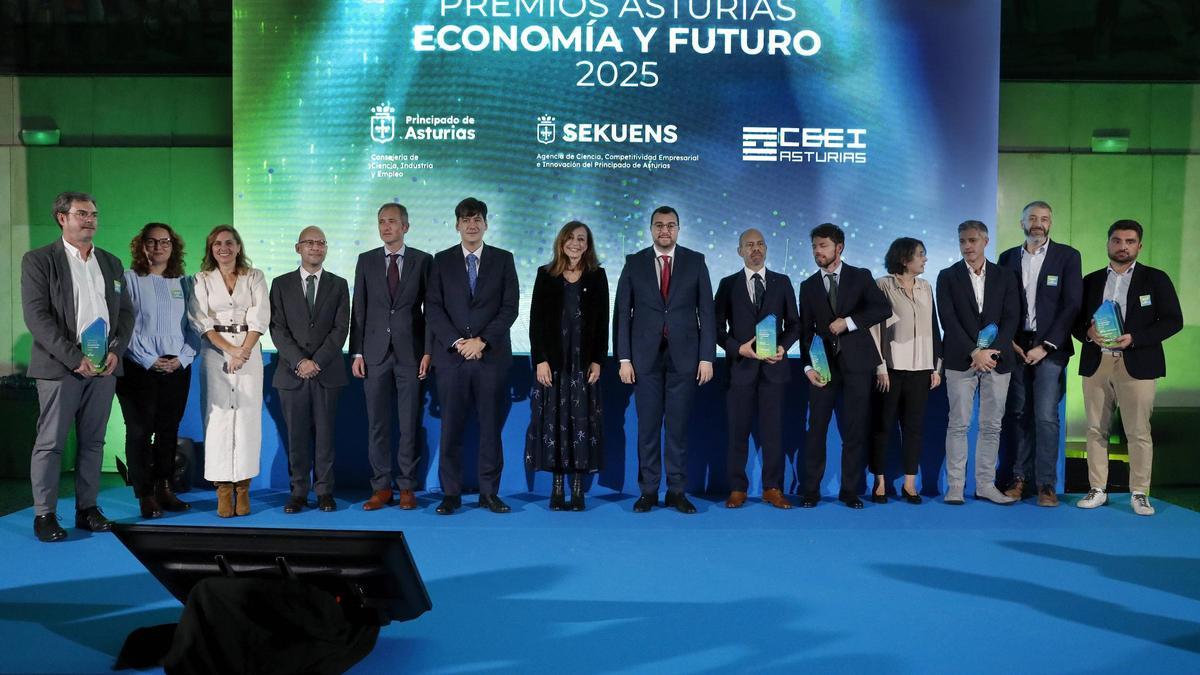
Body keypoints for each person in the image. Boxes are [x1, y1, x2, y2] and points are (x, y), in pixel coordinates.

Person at [21, 191, 133, 542]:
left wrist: (117, 349)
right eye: (82, 213)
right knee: (51, 443)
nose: (90, 220)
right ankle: (45, 514)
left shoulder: (112, 263)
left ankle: (87, 509)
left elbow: (125, 314)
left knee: (93, 443)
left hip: (104, 369)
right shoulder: (39, 260)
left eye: (94, 214)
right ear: (61, 218)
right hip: (61, 368)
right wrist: (74, 357)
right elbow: (36, 317)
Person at [1074, 220, 1182, 516]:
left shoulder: (1155, 279)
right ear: (1108, 243)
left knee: (1138, 431)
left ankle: (1139, 492)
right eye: (1117, 240)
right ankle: (1098, 489)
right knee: (1095, 429)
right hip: (1097, 362)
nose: (1123, 246)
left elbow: (1174, 321)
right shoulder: (1091, 281)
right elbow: (1075, 320)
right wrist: (1088, 334)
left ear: (1139, 246)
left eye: (1130, 241)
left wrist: (1135, 339)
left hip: (1138, 363)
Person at [614, 206, 716, 514]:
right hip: (644, 359)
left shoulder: (696, 262)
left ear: (678, 229)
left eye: (670, 226)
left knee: (677, 428)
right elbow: (622, 313)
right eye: (659, 225)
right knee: (647, 427)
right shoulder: (634, 263)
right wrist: (624, 358)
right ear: (651, 229)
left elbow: (707, 312)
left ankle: (676, 491)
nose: (665, 231)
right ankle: (648, 491)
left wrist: (707, 357)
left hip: (685, 358)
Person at [426, 197, 519, 515]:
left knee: (490, 429)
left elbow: (510, 308)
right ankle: (450, 493)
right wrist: (457, 342)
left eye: (477, 218)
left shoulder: (504, 259)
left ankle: (489, 493)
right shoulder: (440, 260)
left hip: (490, 359)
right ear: (457, 225)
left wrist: (482, 342)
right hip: (452, 360)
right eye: (465, 219)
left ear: (486, 224)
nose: (471, 224)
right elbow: (434, 308)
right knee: (451, 428)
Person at [797, 223, 892, 508]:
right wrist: (807, 367)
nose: (817, 251)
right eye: (814, 246)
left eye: (823, 246)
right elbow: (805, 332)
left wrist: (848, 323)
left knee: (855, 429)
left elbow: (882, 309)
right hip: (822, 367)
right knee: (816, 429)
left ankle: (850, 491)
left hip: (858, 364)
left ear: (839, 247)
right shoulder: (807, 285)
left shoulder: (860, 276)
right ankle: (810, 490)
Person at [998, 200, 1082, 507]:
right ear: (1021, 223)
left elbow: (1072, 305)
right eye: (1032, 218)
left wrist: (1045, 346)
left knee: (1046, 415)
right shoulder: (1007, 257)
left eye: (1044, 218)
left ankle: (1046, 484)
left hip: (1051, 348)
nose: (1038, 223)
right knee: (1018, 413)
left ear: (1051, 224)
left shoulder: (1068, 257)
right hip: (1016, 347)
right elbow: (1000, 304)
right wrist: (1010, 342)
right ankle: (1019, 478)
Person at [349, 203, 432, 512]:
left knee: (409, 423)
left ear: (405, 227)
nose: (386, 227)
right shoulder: (366, 260)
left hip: (411, 353)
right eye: (381, 221)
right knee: (377, 425)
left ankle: (407, 486)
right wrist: (356, 351)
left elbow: (431, 310)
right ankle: (381, 487)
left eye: (392, 222)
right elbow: (359, 309)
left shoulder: (423, 261)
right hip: (374, 354)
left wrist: (428, 350)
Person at [115, 222, 199, 519]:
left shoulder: (185, 283)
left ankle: (165, 488)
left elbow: (195, 326)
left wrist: (184, 357)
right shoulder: (128, 279)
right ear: (141, 245)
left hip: (176, 366)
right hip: (138, 366)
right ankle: (145, 494)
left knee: (168, 430)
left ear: (173, 246)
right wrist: (148, 359)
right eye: (151, 242)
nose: (158, 247)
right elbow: (124, 327)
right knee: (139, 432)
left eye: (164, 242)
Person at [713, 228, 799, 509]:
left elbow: (795, 324)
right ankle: (737, 488)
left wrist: (783, 347)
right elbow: (716, 328)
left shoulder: (783, 282)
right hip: (740, 370)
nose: (755, 249)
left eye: (760, 243)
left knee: (773, 433)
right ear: (740, 251)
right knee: (737, 432)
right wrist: (738, 348)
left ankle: (772, 488)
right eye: (749, 245)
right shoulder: (727, 284)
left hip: (774, 371)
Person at [525, 221, 609, 511]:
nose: (575, 243)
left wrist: (598, 359)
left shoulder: (597, 276)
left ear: (588, 244)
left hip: (583, 364)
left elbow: (603, 324)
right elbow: (535, 323)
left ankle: (578, 489)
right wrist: (540, 360)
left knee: (581, 421)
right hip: (555, 364)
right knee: (555, 422)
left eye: (581, 239)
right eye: (570, 238)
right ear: (561, 242)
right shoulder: (545, 275)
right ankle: (557, 487)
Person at [936, 220, 1021, 505]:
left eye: (972, 240)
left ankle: (985, 485)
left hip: (998, 361)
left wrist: (991, 352)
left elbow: (1012, 318)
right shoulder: (947, 276)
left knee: (991, 426)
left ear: (985, 241)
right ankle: (956, 486)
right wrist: (975, 352)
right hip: (961, 360)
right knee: (958, 424)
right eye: (962, 241)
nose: (967, 246)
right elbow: (948, 320)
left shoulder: (1005, 276)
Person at [189, 225, 270, 518]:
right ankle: (223, 490)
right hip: (215, 352)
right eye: (217, 244)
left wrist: (244, 350)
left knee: (247, 419)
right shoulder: (202, 279)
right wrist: (231, 350)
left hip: (249, 351)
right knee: (219, 419)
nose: (223, 248)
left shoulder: (255, 276)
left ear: (238, 246)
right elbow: (201, 320)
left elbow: (260, 316)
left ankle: (243, 489)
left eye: (229, 243)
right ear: (211, 249)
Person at [270, 226, 350, 513]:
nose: (316, 247)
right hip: (292, 374)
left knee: (326, 437)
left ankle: (325, 492)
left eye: (321, 243)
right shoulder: (280, 284)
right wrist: (300, 361)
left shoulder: (339, 285)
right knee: (296, 438)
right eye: (310, 243)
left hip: (327, 373)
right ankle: (299, 492)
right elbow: (277, 328)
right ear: (298, 248)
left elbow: (341, 328)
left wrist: (317, 361)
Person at [868, 237, 943, 505]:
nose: (924, 259)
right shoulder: (882, 285)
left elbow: (934, 329)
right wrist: (880, 367)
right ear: (903, 258)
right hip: (890, 369)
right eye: (920, 254)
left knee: (914, 427)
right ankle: (879, 482)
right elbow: (874, 329)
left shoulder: (926, 287)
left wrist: (936, 366)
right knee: (883, 426)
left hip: (922, 368)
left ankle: (910, 484)